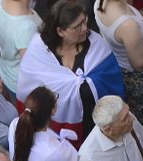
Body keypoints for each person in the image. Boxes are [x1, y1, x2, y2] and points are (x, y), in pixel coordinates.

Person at [15, 0, 124, 139]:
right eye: (77, 26)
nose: (85, 28)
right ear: (60, 31)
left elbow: (112, 84)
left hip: (96, 127)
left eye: (85, 22)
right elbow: (29, 89)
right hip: (53, 131)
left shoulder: (97, 47)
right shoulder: (38, 50)